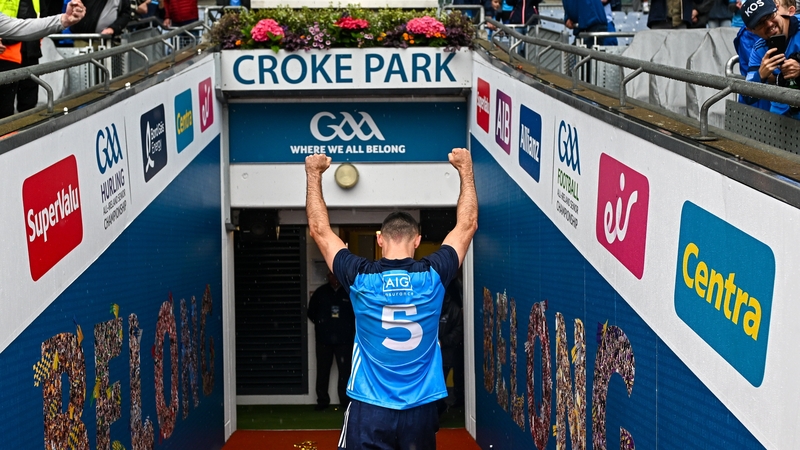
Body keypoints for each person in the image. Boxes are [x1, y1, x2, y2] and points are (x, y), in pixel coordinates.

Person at [304, 148, 478, 450]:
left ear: (379, 239)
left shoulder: (361, 277)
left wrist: (313, 174)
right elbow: (467, 225)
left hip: (370, 407)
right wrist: (465, 168)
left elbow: (319, 230)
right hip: (420, 408)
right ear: (418, 240)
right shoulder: (433, 276)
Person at [0, 0, 85, 119]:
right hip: (7, 53)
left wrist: (63, 19)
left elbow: (23, 25)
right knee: (4, 107)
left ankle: (25, 135)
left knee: (28, 104)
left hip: (29, 51)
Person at [743, 0, 800, 119]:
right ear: (750, 30)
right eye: (759, 23)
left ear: (777, 8)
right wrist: (760, 75)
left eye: (769, 15)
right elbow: (746, 97)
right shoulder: (759, 49)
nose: (769, 24)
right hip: (782, 120)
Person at [307, 271, 355, 411]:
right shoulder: (320, 293)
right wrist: (322, 325)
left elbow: (356, 314)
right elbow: (311, 313)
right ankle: (322, 401)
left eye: (336, 275)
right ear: (328, 276)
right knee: (322, 371)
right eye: (331, 275)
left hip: (344, 340)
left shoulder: (348, 292)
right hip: (324, 340)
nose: (334, 278)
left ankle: (345, 401)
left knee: (345, 372)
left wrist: (348, 327)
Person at [437, 277, 464, 415]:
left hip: (448, 353)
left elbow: (458, 331)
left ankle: (443, 409)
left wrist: (443, 341)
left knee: (443, 382)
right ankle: (437, 411)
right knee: (435, 384)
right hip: (432, 354)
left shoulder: (453, 309)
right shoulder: (429, 306)